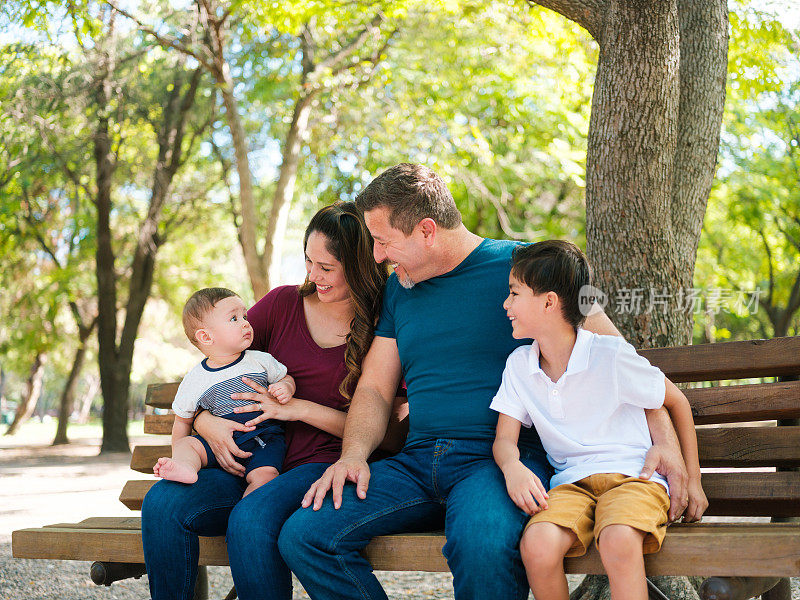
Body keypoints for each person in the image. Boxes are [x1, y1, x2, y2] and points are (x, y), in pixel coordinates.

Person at [280, 163, 696, 600]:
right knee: (306, 535)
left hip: (498, 460)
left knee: (482, 541)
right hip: (416, 462)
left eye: (383, 242)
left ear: (426, 230)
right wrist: (353, 456)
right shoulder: (400, 289)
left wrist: (664, 441)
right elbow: (375, 389)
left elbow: (622, 363)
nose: (378, 257)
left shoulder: (529, 269)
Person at [141, 201, 405, 600]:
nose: (313, 276)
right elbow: (214, 368)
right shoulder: (282, 304)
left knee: (252, 519)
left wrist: (299, 408)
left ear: (361, 265)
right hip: (249, 459)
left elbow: (388, 436)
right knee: (162, 503)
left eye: (327, 267)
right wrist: (203, 424)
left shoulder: (386, 322)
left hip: (321, 466)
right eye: (308, 261)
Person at [491, 240, 707, 600]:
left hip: (635, 478)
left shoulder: (609, 355)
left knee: (618, 538)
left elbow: (678, 402)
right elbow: (504, 440)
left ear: (549, 302)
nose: (506, 304)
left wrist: (694, 480)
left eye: (514, 293)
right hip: (571, 485)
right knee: (537, 545)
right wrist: (511, 466)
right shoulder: (518, 366)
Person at [153, 287, 296, 498]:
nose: (246, 323)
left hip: (260, 438)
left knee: (267, 475)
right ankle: (185, 468)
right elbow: (182, 421)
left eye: (244, 316)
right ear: (206, 337)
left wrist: (286, 387)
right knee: (187, 445)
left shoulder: (259, 360)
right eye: (234, 318)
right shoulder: (195, 378)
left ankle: (248, 505)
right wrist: (180, 456)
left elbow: (285, 377)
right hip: (216, 444)